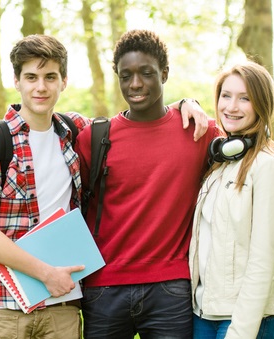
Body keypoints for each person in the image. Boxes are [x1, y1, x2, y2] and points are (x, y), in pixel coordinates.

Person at [0, 33, 210, 339]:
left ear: (63, 81)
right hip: (1, 307)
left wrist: (185, 103)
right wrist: (46, 274)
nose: (41, 87)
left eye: (50, 77)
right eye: (31, 77)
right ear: (16, 81)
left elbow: (142, 121)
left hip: (61, 306)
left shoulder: (74, 131)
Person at [75, 29, 221, 338]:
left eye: (146, 73)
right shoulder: (95, 138)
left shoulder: (197, 132)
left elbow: (253, 158)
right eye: (125, 76)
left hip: (170, 288)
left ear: (164, 73)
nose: (136, 84)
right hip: (104, 287)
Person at [188, 61, 274, 338]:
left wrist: (240, 331)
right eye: (226, 95)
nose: (231, 107)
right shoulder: (221, 163)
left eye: (244, 98)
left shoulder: (269, 167)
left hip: (249, 320)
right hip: (204, 314)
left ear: (262, 104)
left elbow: (264, 260)